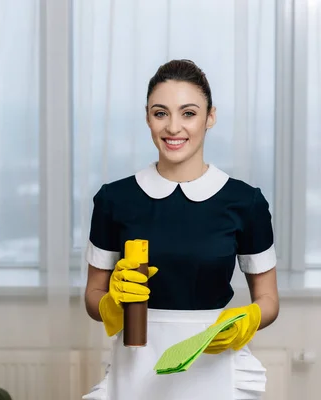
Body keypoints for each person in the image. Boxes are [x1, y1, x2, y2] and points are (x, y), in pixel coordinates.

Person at [82, 59, 280, 400]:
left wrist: (246, 319)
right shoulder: (114, 199)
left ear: (210, 117)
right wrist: (111, 305)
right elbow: (91, 295)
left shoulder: (245, 202)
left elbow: (269, 299)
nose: (174, 127)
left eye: (188, 113)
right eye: (161, 113)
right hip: (135, 362)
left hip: (214, 361)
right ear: (147, 117)